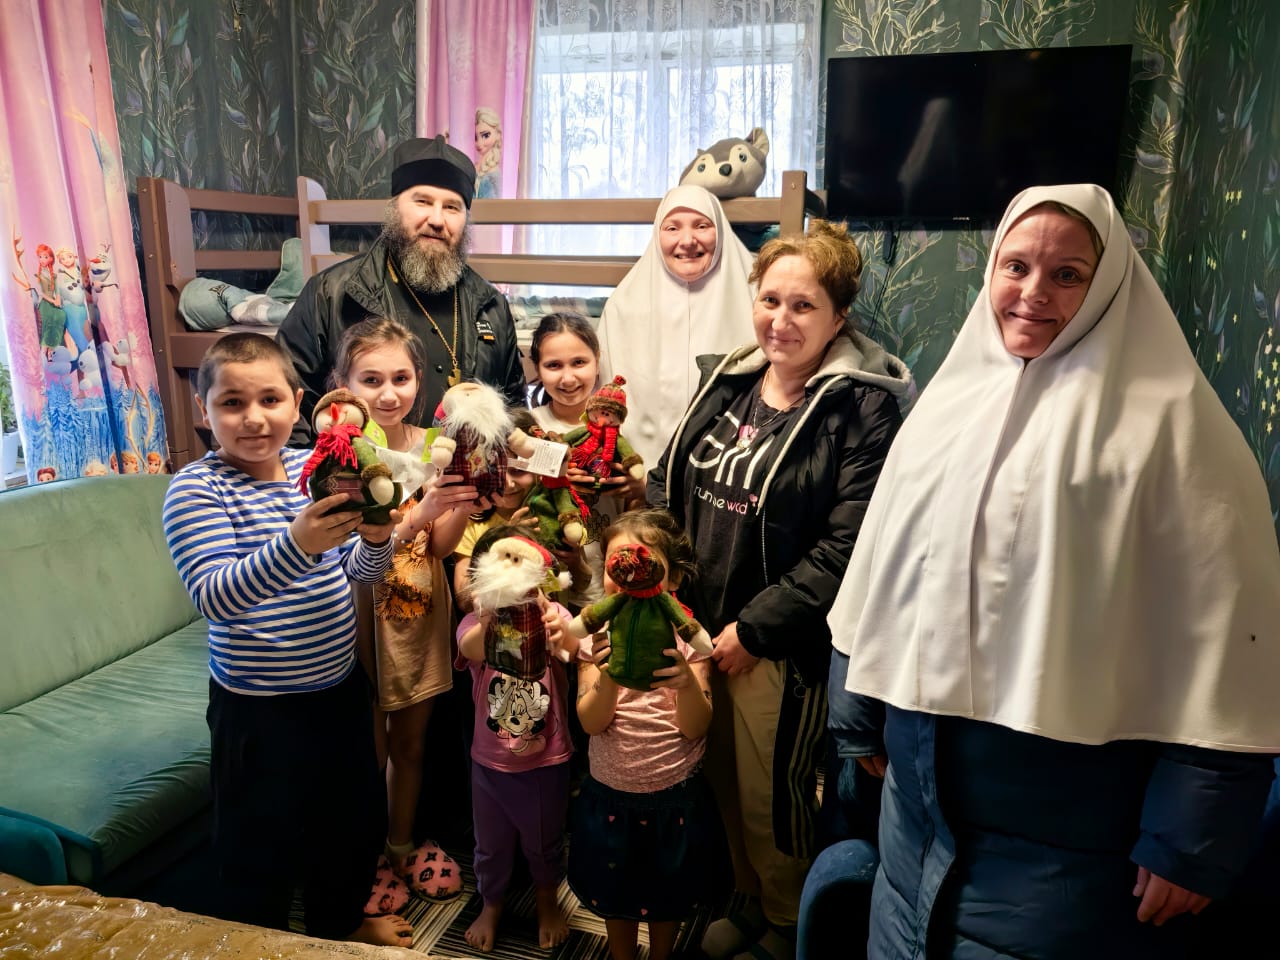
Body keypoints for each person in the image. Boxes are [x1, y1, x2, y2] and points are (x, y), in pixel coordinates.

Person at [827, 184, 1280, 959]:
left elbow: (1226, 638)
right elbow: (884, 563)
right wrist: (857, 707)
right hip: (916, 809)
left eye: (1067, 274)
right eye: (1016, 267)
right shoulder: (948, 406)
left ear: (1108, 284)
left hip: (1068, 831)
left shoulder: (1174, 430)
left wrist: (1191, 839)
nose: (1034, 292)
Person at [649, 220, 914, 960]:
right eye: (770, 300)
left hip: (774, 646)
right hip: (697, 626)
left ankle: (787, 921)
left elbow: (848, 546)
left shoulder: (861, 408)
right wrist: (666, 596)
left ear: (839, 316)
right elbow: (665, 480)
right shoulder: (729, 380)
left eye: (803, 306)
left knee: (773, 799)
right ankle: (747, 900)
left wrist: (753, 631)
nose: (781, 320)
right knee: (717, 782)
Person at [160, 332, 412, 946]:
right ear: (203, 410)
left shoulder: (313, 470)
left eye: (269, 399)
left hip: (338, 688)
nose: (253, 418)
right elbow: (215, 597)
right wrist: (298, 544)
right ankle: (257, 941)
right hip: (255, 706)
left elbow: (359, 573)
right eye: (232, 403)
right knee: (255, 841)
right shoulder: (196, 489)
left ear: (298, 404)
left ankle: (342, 920)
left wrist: (378, 539)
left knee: (350, 821)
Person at [329, 317, 479, 905]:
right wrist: (421, 512)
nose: (388, 393)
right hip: (359, 614)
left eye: (401, 378)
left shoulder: (434, 446)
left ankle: (401, 843)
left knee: (412, 746)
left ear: (420, 379)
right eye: (371, 380)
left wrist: (461, 499)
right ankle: (364, 856)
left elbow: (438, 548)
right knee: (366, 750)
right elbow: (346, 552)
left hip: (418, 612)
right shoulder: (339, 455)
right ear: (343, 384)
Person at [278, 134, 525, 444]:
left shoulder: (491, 306)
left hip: (463, 474)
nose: (437, 219)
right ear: (394, 207)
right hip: (362, 472)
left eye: (452, 207)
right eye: (422, 202)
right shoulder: (330, 294)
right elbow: (288, 404)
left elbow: (513, 408)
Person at [570, 508, 730, 960]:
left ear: (671, 577)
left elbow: (696, 726)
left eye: (642, 562)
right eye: (615, 565)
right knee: (613, 893)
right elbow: (591, 722)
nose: (627, 576)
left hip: (673, 797)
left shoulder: (688, 640)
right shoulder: (595, 637)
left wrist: (685, 683)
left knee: (669, 895)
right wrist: (609, 672)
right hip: (610, 794)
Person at [455, 524, 580, 952]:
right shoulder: (476, 621)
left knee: (545, 841)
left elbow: (572, 649)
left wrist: (555, 624)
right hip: (489, 760)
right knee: (489, 843)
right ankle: (491, 902)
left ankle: (547, 899)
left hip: (546, 758)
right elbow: (470, 649)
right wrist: (492, 610)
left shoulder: (552, 614)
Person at [597, 184, 757, 467]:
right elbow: (606, 399)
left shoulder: (758, 297)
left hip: (731, 469)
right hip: (639, 471)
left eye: (702, 226)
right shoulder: (623, 305)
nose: (687, 240)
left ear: (720, 231)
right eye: (672, 228)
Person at [473, 107, 502, 200]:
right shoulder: (474, 167)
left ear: (497, 134)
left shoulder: (493, 174)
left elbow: (492, 206)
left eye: (485, 135)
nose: (479, 143)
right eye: (475, 138)